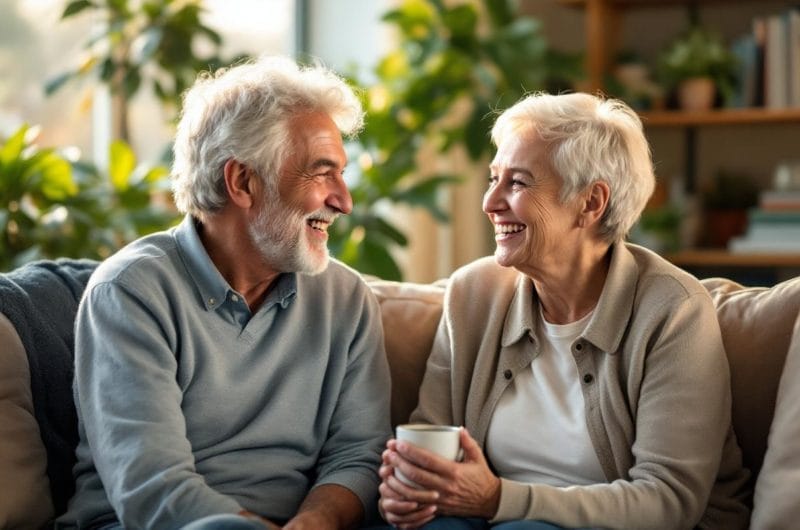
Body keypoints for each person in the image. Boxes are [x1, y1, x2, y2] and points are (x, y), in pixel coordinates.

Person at [375, 92, 751, 530]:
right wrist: (408, 488)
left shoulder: (673, 310)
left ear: (591, 203)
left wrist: (500, 500)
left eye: (517, 183)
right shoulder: (472, 295)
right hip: (489, 519)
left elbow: (668, 501)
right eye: (493, 178)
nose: (490, 202)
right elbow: (430, 443)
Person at [58, 56, 392, 530]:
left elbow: (359, 455)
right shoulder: (131, 292)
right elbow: (153, 491)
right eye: (322, 173)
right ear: (242, 181)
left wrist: (315, 522)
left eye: (341, 173)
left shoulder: (346, 299)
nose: (344, 200)